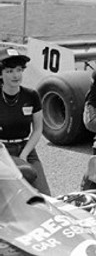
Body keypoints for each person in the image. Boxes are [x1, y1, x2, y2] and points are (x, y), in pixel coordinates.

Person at [0, 47, 51, 195]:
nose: (15, 75)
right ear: (1, 74)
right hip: (2, 151)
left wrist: (24, 154)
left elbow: (37, 129)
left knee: (45, 196)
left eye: (18, 70)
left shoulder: (31, 95)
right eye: (9, 71)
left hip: (26, 148)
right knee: (15, 193)